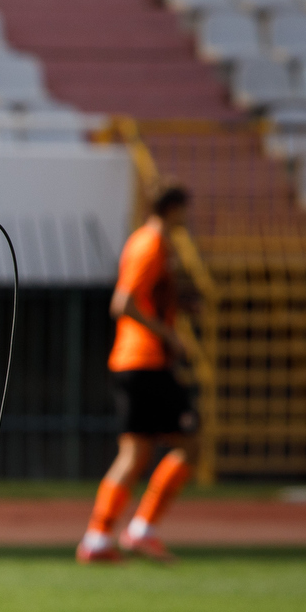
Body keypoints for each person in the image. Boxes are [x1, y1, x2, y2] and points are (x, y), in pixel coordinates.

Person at [78, 182, 199, 565]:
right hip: (145, 361)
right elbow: (124, 303)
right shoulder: (151, 245)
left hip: (134, 361)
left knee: (135, 453)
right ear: (173, 208)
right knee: (188, 442)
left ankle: (98, 538)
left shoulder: (145, 242)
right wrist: (169, 335)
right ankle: (141, 529)